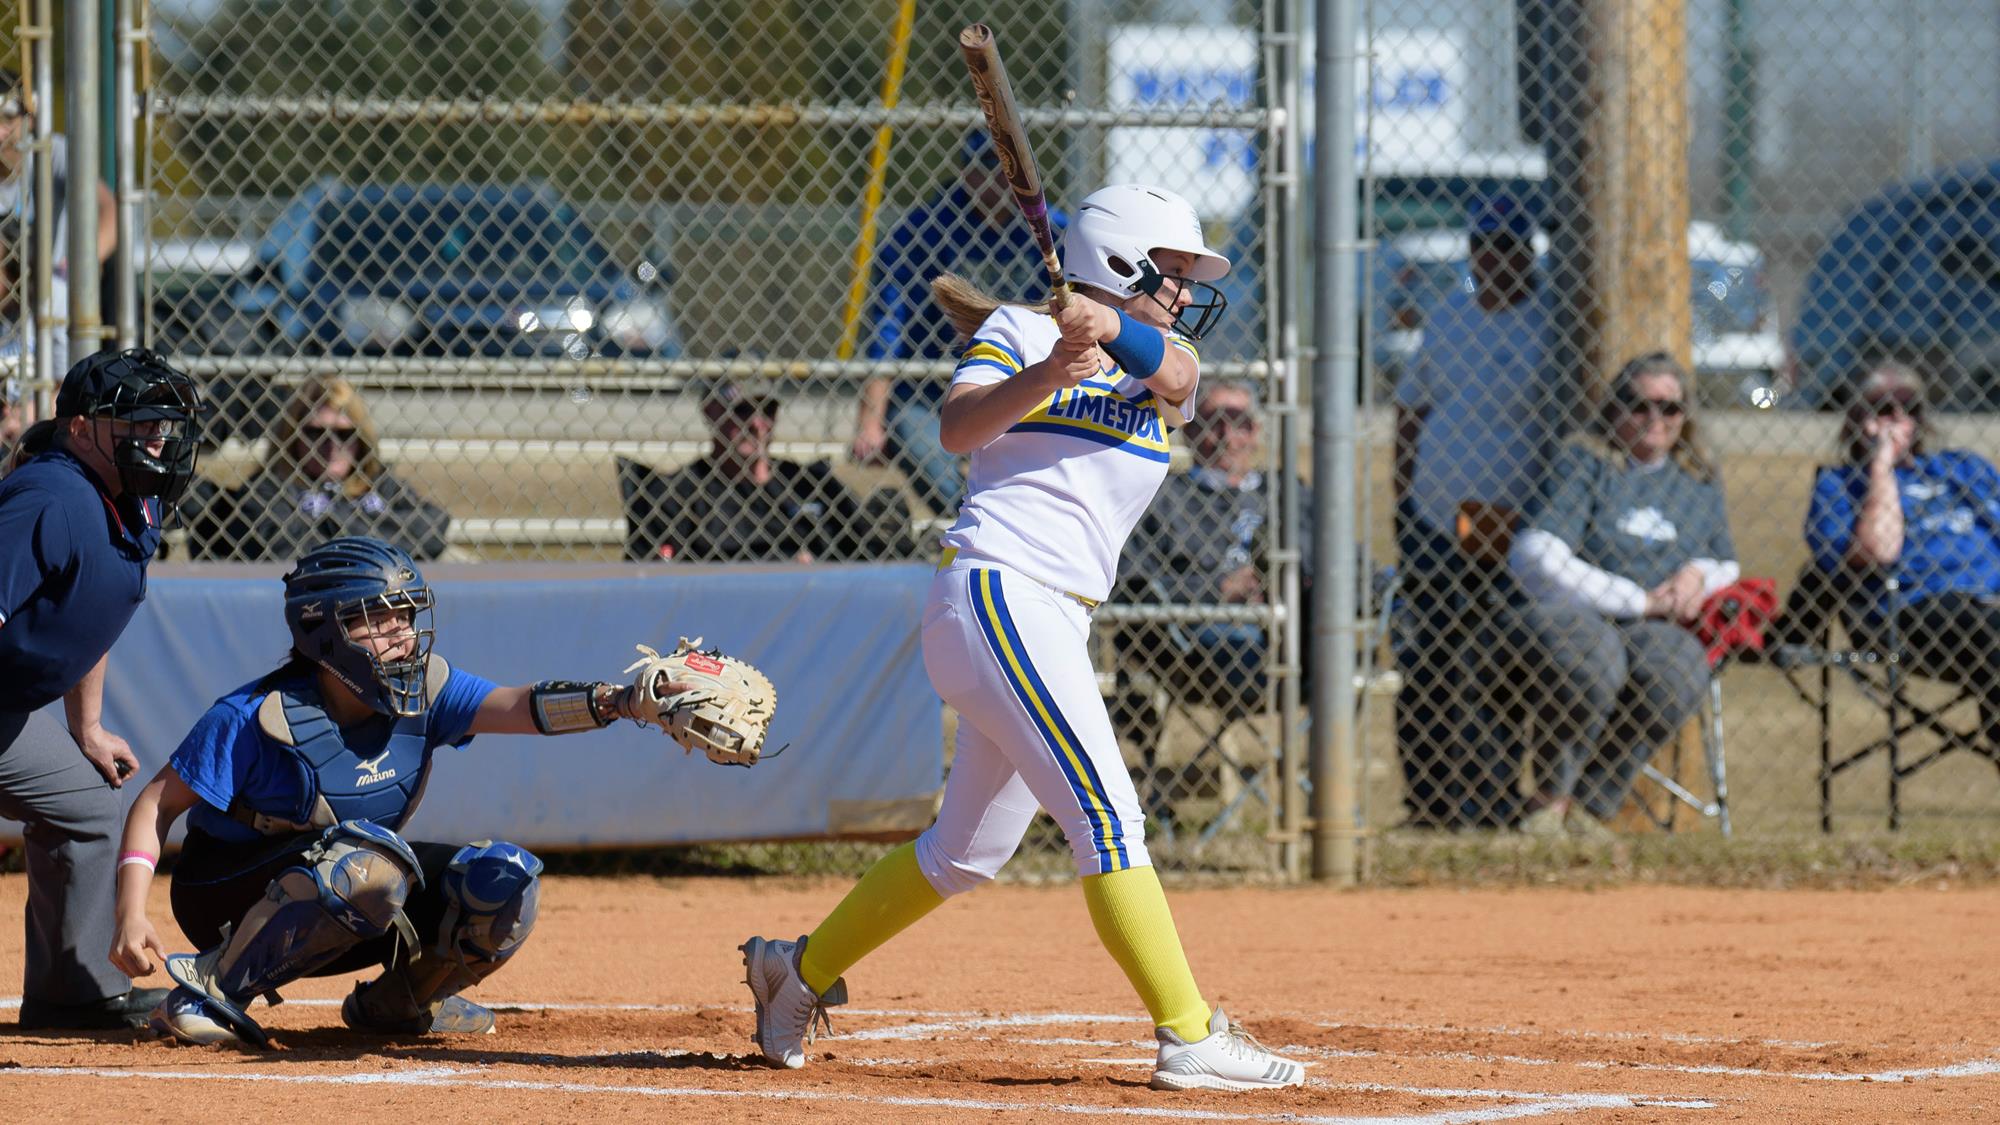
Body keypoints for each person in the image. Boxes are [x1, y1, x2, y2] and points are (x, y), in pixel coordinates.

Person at [738, 183, 1302, 1091]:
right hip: (1001, 594)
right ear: (1126, 265)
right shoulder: (1017, 330)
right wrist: (1049, 367)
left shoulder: (1160, 355)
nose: (1189, 292)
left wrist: (1106, 333)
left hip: (1049, 618)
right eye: (1177, 274)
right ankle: (1189, 1033)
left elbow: (1182, 377)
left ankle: (791, 973)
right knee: (1109, 819)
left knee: (963, 854)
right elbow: (959, 429)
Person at [109, 535, 706, 1047]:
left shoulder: (426, 689)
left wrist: (623, 702)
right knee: (371, 864)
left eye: (406, 615)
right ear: (321, 629)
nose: (402, 633)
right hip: (225, 896)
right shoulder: (258, 715)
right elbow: (154, 805)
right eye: (377, 618)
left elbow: (516, 705)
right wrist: (131, 913)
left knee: (502, 880)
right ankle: (210, 993)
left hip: (358, 888)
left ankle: (399, 1001)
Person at [0, 348, 202, 1029]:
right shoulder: (49, 497)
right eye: (138, 422)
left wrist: (85, 727)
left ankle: (70, 994)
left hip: (9, 712)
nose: (157, 437)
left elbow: (89, 615)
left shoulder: (126, 498)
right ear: (82, 427)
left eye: (163, 424)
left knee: (88, 801)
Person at [1502, 352, 1736, 838]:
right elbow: (1536, 555)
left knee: (1677, 667)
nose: (1655, 419)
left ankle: (1590, 806)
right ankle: (1549, 801)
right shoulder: (1584, 462)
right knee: (1594, 655)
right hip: (1573, 612)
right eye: (1639, 405)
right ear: (1613, 410)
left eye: (1670, 409)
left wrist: (1696, 575)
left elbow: (1725, 562)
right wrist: (1638, 601)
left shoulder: (1696, 479)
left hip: (1651, 627)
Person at [1390, 193, 1568, 830]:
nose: (1497, 259)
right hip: (1437, 521)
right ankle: (1430, 805)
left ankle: (1493, 800)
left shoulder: (1552, 324)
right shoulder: (1449, 318)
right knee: (1428, 660)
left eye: (1510, 247)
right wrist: (1403, 498)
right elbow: (1411, 409)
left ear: (1529, 254)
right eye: (1486, 245)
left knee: (1502, 662)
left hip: (1515, 528)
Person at [1114, 379, 1313, 809]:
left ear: (1257, 431)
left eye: (1239, 423)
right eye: (1212, 423)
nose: (1228, 437)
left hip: (1299, 647)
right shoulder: (1164, 496)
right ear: (1188, 430)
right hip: (1199, 654)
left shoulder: (1285, 491)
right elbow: (1130, 581)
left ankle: (1327, 808)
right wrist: (1216, 589)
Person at [850, 130, 1063, 516]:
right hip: (937, 389)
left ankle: (1018, 517)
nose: (997, 179)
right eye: (985, 167)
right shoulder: (924, 230)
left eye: (1008, 170)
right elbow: (888, 326)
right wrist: (870, 420)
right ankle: (968, 517)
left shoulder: (1050, 229)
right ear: (966, 173)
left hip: (1027, 380)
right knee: (916, 434)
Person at [1805, 360, 2000, 742]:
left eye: (1909, 408)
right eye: (1883, 408)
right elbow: (1879, 549)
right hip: (1911, 614)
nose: (1897, 418)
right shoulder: (1839, 486)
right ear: (1858, 418)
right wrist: (1881, 467)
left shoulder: (1963, 469)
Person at [183, 374, 451, 561]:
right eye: (315, 433)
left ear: (361, 439)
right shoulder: (269, 488)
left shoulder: (380, 482)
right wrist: (374, 535)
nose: (330, 445)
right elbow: (288, 551)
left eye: (344, 434)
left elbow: (432, 527)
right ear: (293, 435)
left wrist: (332, 525)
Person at [622, 380, 869, 563]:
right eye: (742, 410)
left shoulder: (809, 485)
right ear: (710, 411)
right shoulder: (678, 494)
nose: (757, 423)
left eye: (768, 410)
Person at [0, 67, 119, 383]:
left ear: (31, 119)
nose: (1, 133)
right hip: (6, 283)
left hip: (51, 278)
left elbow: (108, 208)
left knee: (56, 293)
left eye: (8, 121)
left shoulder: (51, 151)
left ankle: (58, 393)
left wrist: (86, 261)